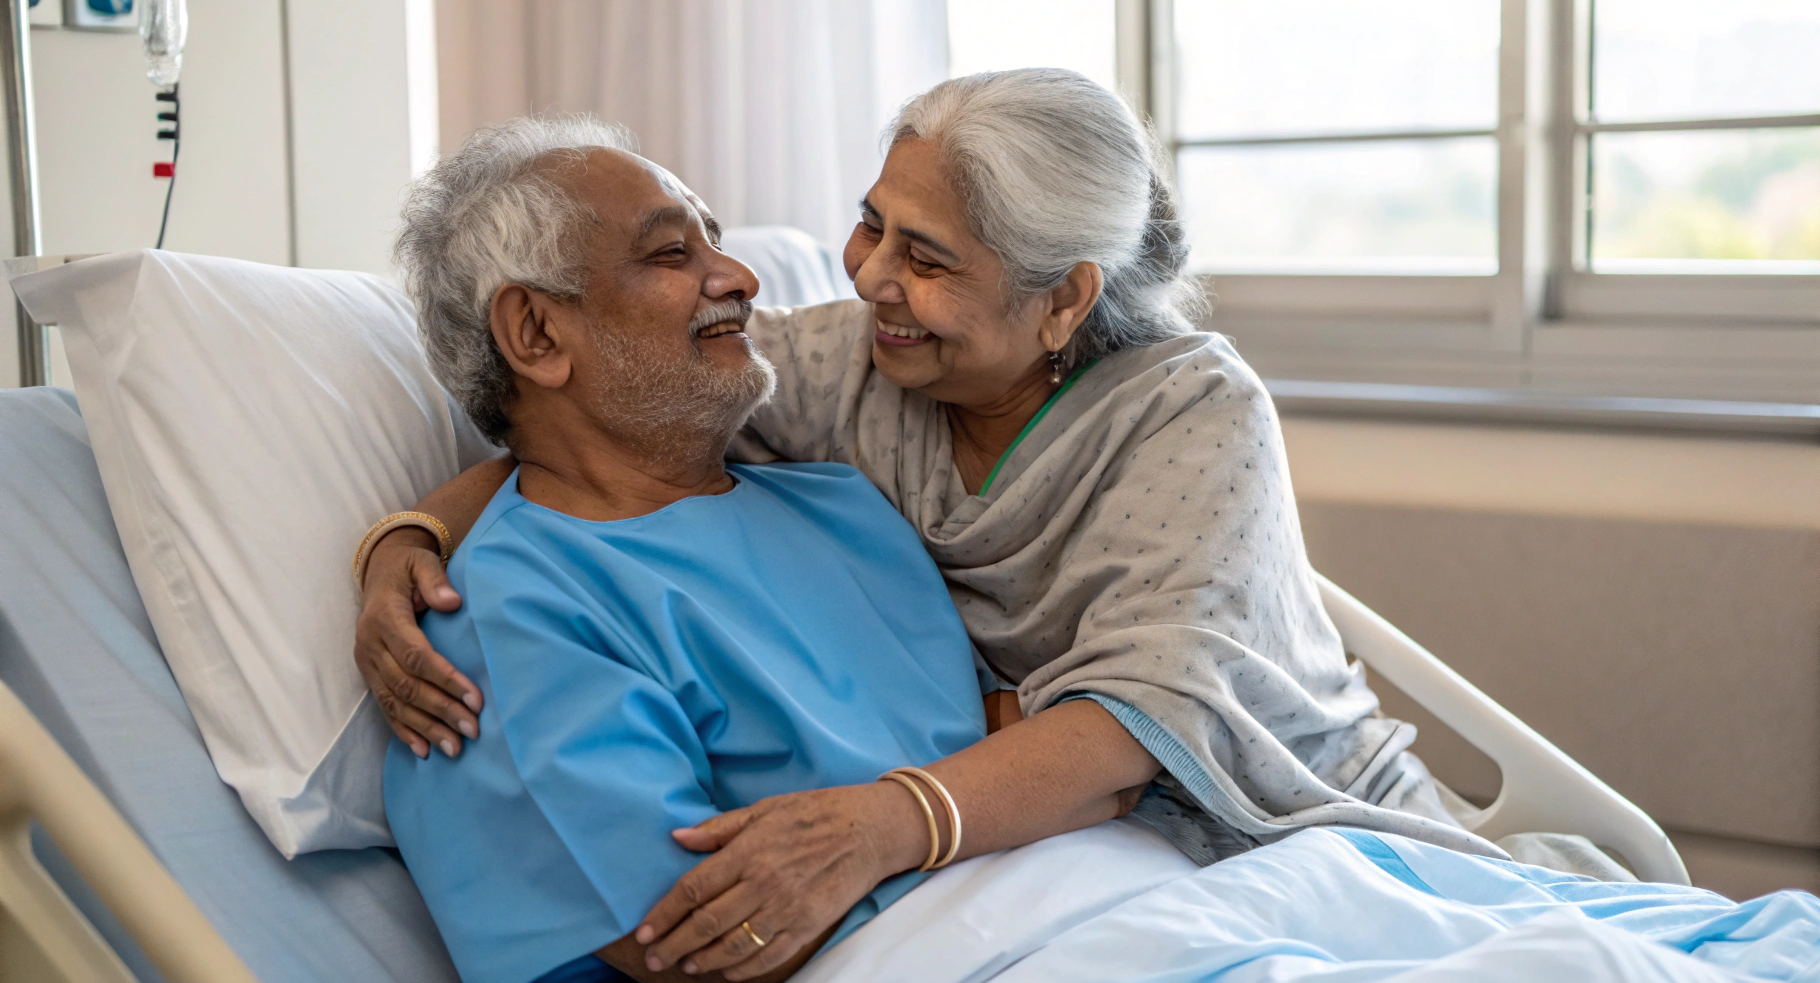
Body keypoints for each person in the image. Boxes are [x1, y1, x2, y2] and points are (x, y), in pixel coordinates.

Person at [360, 69, 1510, 978]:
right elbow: (581, 431)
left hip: (1261, 829)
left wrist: (894, 817)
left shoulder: (1152, 420)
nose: (837, 278)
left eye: (924, 258)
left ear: (1063, 295)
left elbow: (1125, 737)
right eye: (869, 229)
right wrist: (407, 538)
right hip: (1034, 897)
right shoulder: (829, 387)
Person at [384, 118, 1160, 983]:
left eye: (716, 240)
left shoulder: (838, 504)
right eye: (671, 254)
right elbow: (697, 945)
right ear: (534, 334)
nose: (743, 278)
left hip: (1130, 899)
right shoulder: (505, 624)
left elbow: (1012, 734)